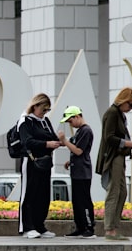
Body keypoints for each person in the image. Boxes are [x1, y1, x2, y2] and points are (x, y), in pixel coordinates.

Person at [17, 93, 63, 239]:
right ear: (35, 106)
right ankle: (27, 227)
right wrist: (46, 144)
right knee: (29, 193)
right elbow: (27, 141)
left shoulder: (45, 121)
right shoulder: (25, 121)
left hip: (45, 162)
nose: (44, 113)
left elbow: (51, 137)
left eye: (47, 110)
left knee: (43, 195)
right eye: (43, 109)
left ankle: (39, 225)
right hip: (30, 161)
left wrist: (57, 141)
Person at [96, 88, 132, 241]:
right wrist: (129, 143)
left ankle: (113, 226)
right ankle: (110, 229)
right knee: (114, 191)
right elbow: (109, 138)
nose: (131, 108)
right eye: (130, 105)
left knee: (122, 192)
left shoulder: (118, 114)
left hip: (119, 156)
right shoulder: (112, 113)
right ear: (124, 100)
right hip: (113, 157)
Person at [59, 105, 95, 238]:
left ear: (77, 116)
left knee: (84, 200)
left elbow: (79, 151)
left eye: (70, 120)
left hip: (83, 173)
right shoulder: (80, 131)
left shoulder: (86, 131)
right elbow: (76, 149)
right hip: (77, 171)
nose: (70, 124)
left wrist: (64, 141)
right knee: (77, 201)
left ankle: (89, 227)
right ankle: (80, 226)